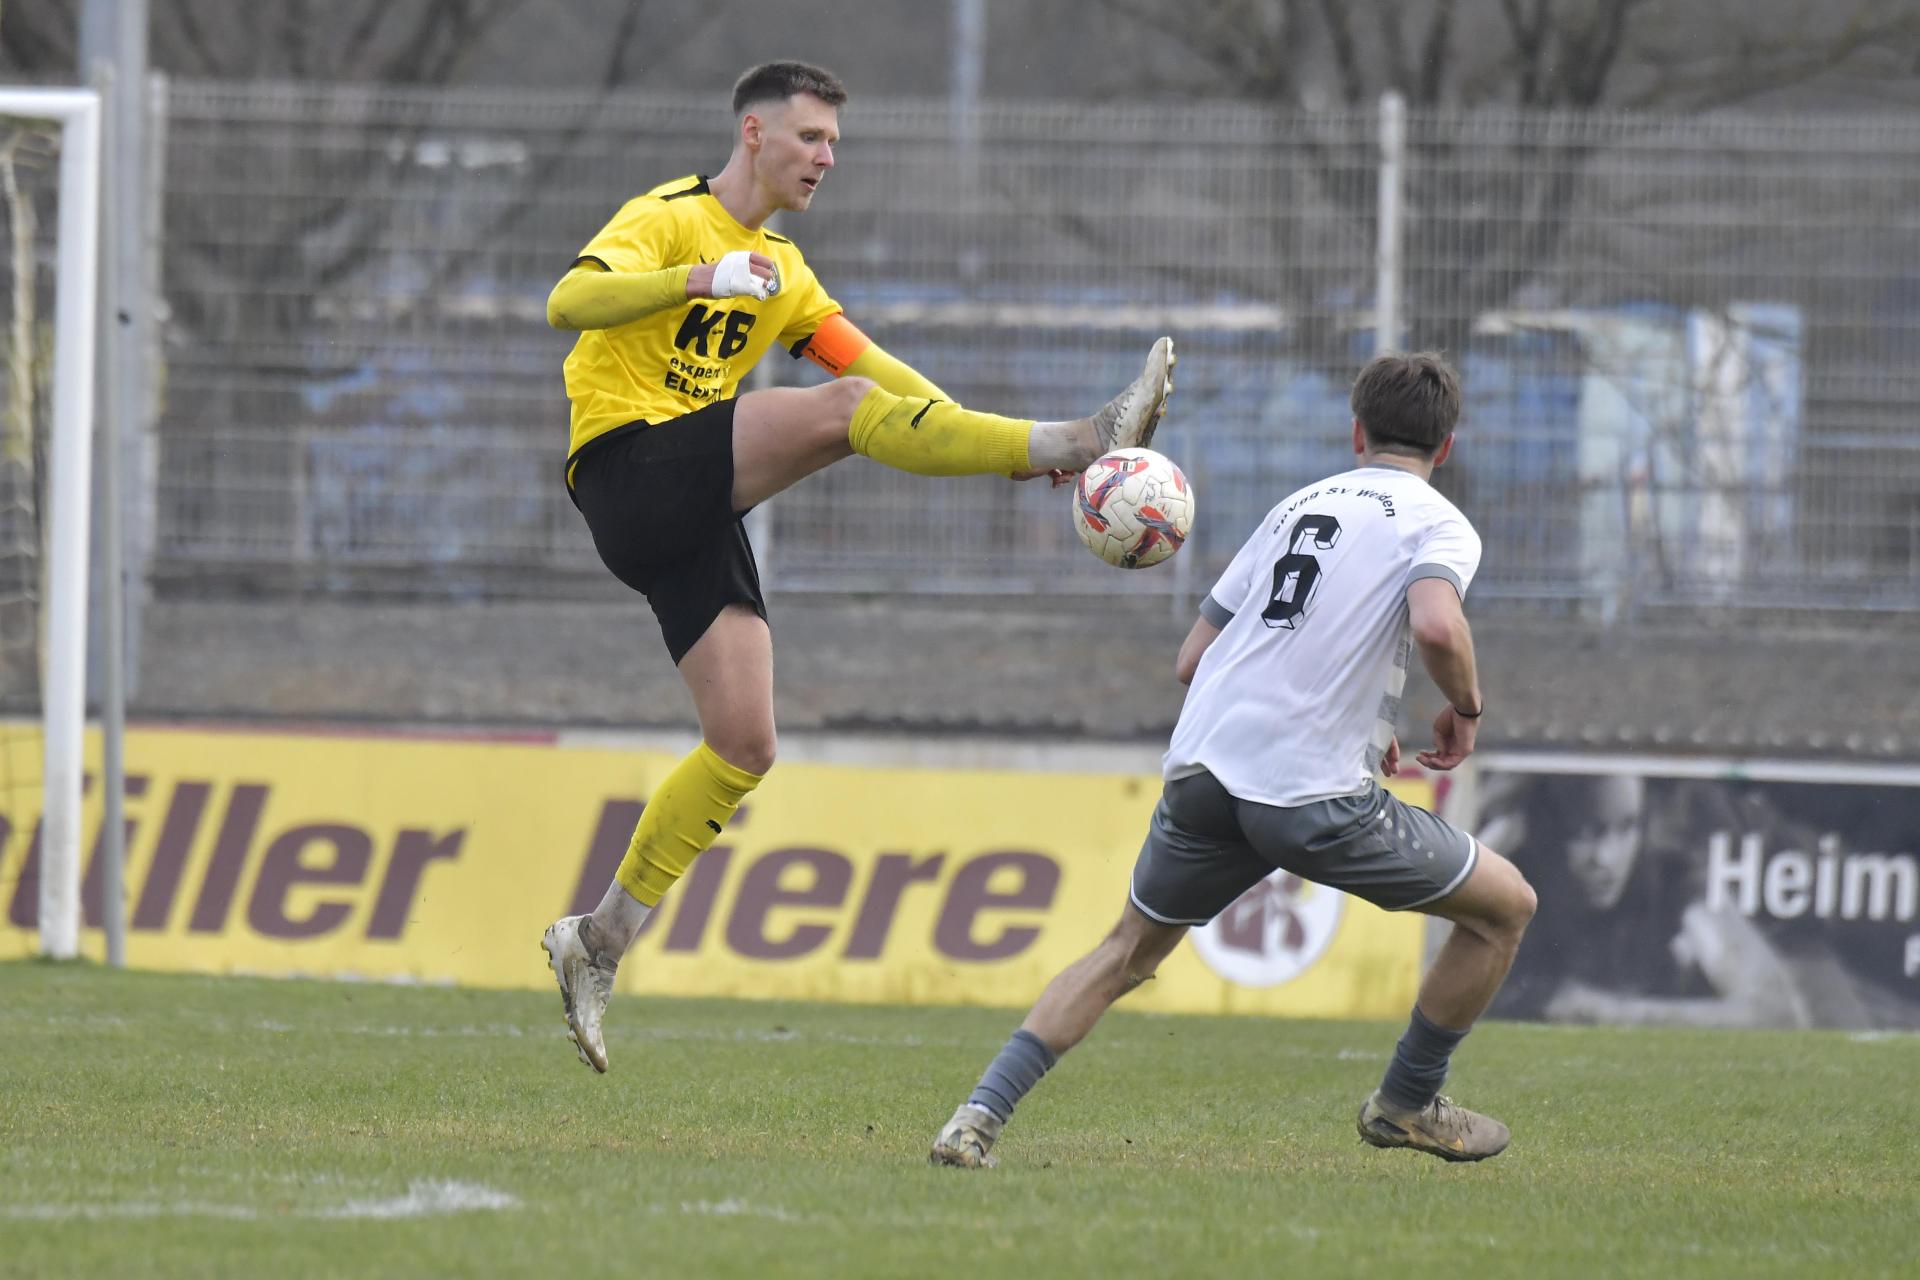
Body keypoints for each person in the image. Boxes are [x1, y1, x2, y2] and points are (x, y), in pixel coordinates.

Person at [537, 60, 1177, 1074]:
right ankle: (1077, 437)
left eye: (834, 142)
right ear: (753, 133)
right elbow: (568, 302)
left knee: (744, 744)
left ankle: (597, 939)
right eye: (809, 138)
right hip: (627, 468)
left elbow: (878, 372)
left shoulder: (786, 273)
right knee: (839, 419)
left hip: (695, 502)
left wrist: (991, 442)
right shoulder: (669, 218)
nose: (827, 157)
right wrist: (699, 278)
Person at [929, 351, 1538, 1168]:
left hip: (1206, 770)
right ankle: (1406, 1100)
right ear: (1447, 447)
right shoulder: (1437, 521)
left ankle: (975, 1119)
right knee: (1506, 908)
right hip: (1308, 794)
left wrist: (1352, 710)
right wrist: (1464, 709)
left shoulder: (1297, 506)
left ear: (1356, 431)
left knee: (1122, 954)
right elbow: (1435, 625)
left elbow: (1195, 658)